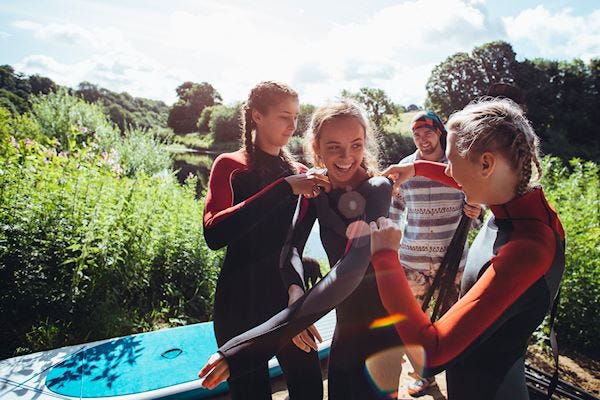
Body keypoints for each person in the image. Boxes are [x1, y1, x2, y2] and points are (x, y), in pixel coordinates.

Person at [200, 99, 402, 399]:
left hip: (381, 333)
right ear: (316, 146)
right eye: (334, 146)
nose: (347, 157)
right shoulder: (317, 191)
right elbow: (291, 247)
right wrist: (294, 287)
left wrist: (249, 348)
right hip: (345, 333)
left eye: (356, 145)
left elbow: (351, 269)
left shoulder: (377, 190)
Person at [370, 98, 565, 399]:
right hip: (474, 381)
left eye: (450, 161)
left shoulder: (527, 249)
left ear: (486, 164)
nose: (447, 172)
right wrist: (417, 168)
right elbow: (464, 179)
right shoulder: (513, 202)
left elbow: (432, 354)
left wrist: (384, 259)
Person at [203, 81, 330, 400]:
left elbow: (295, 245)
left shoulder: (301, 173)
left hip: (286, 300)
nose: (293, 125)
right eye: (284, 116)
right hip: (238, 304)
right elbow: (214, 234)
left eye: (296, 117)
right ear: (257, 116)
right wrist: (284, 188)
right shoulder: (231, 166)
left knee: (310, 391)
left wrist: (297, 290)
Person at [389, 111, 481, 396]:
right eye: (416, 134)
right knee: (415, 325)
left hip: (452, 262)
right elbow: (394, 211)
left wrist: (477, 212)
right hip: (412, 262)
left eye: (427, 132)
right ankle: (423, 375)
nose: (422, 139)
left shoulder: (458, 166)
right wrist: (388, 246)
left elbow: (479, 207)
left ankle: (456, 374)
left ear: (440, 132)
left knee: (451, 324)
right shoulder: (405, 167)